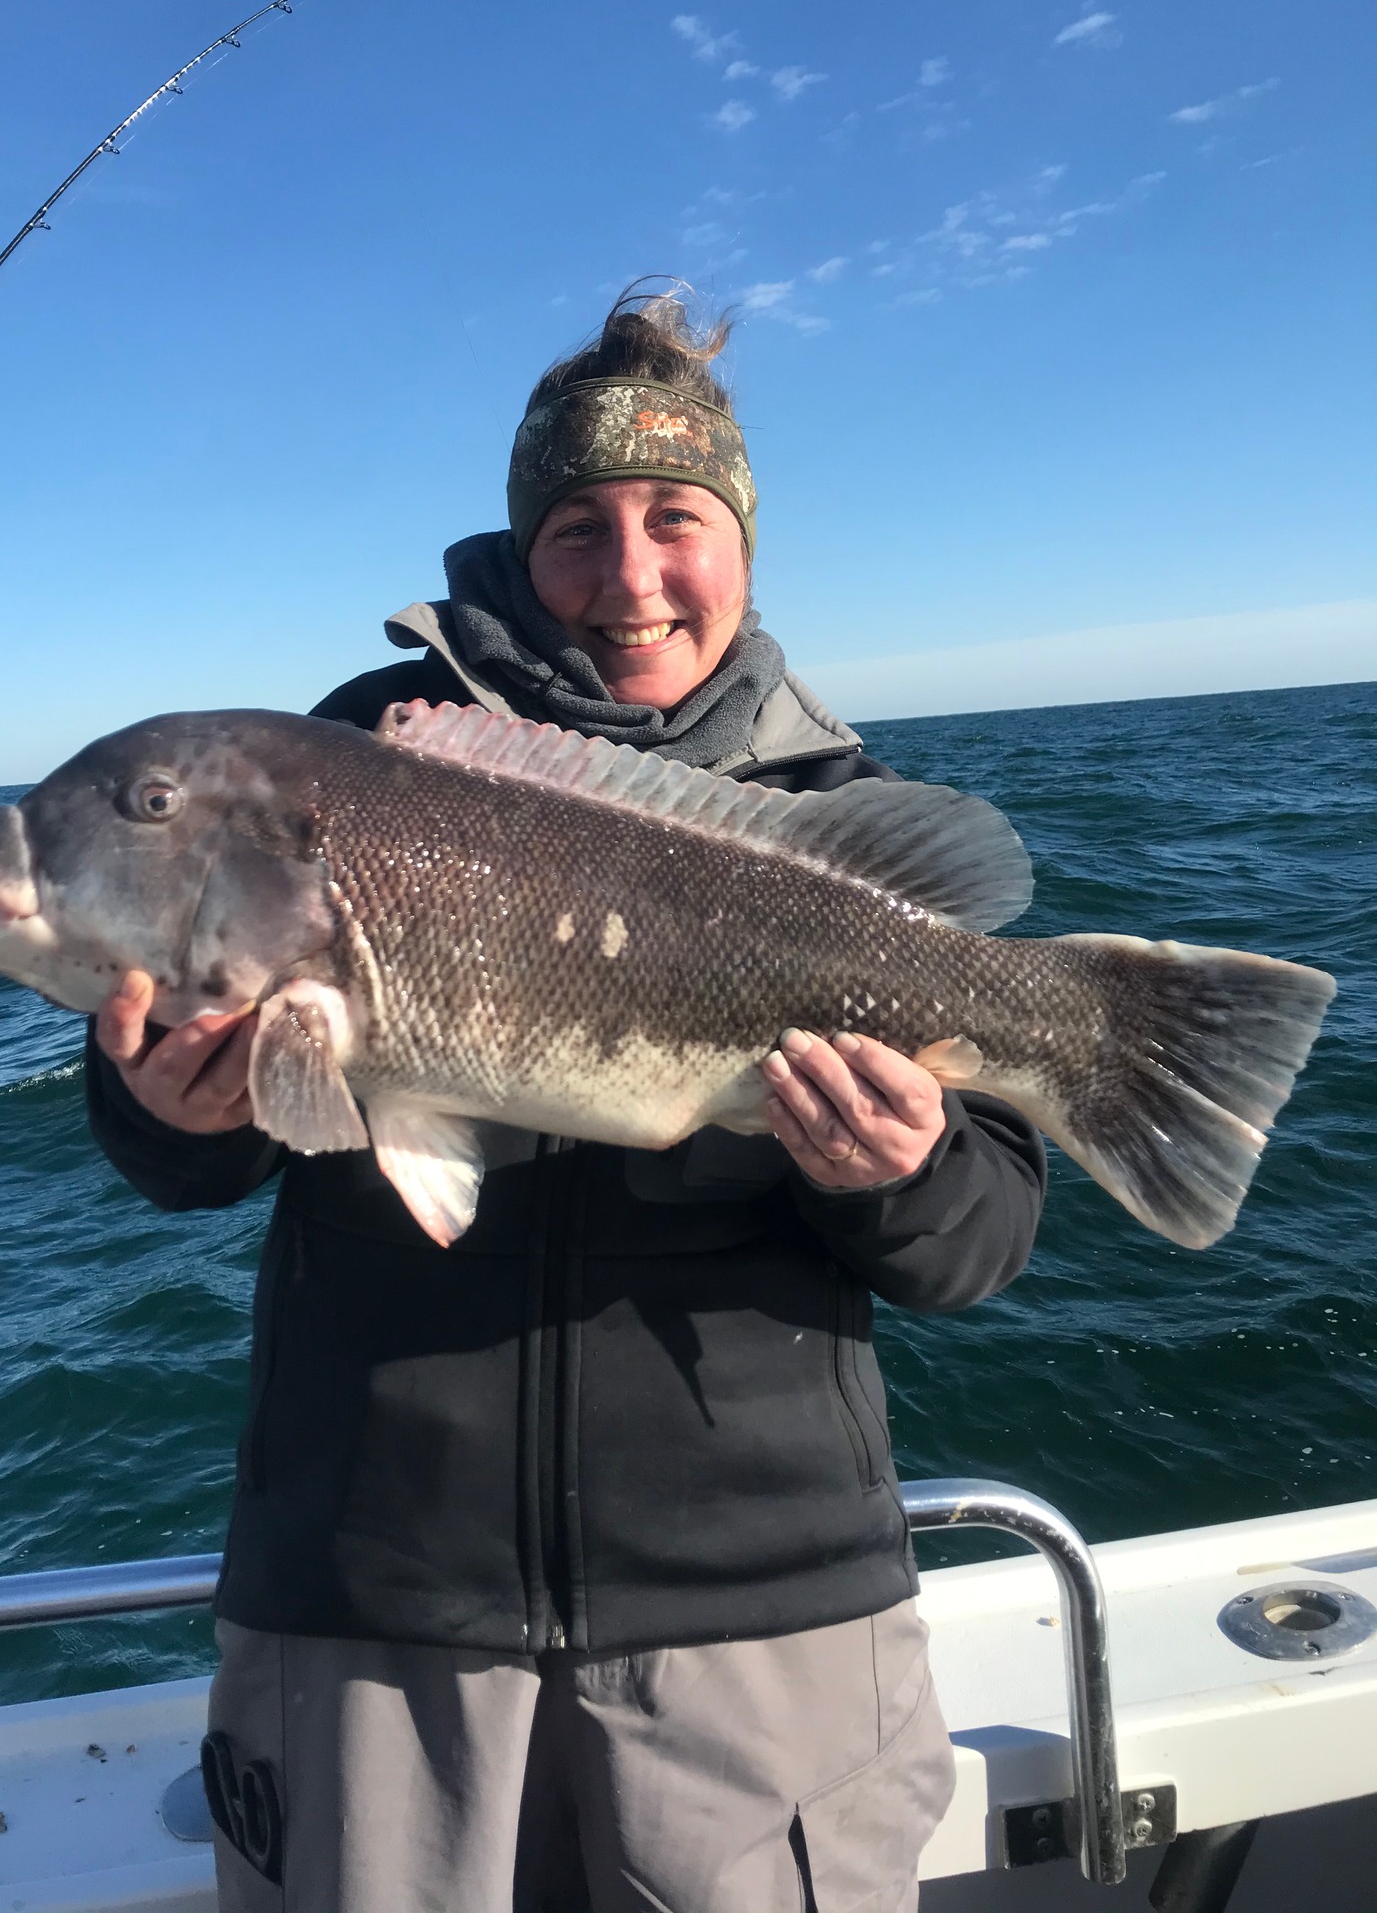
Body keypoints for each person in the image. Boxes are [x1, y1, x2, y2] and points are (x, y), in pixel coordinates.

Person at [87, 287, 1045, 1912]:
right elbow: (179, 1135)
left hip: (767, 1616)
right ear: (520, 550)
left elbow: (972, 1246)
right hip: (373, 1605)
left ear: (743, 542)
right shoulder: (346, 763)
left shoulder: (850, 819)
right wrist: (174, 1116)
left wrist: (903, 1168)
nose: (633, 577)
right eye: (577, 530)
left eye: (677, 520)